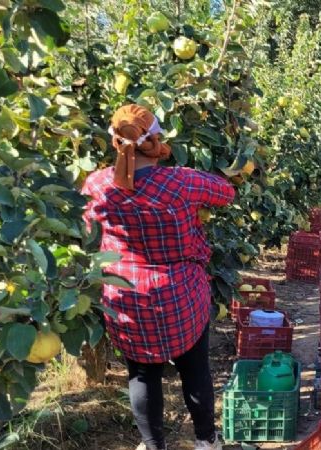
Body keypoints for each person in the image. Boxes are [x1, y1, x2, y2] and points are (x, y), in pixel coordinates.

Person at [81, 104, 234, 450]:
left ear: (115, 141)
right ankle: (206, 441)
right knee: (195, 369)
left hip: (126, 297)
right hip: (180, 293)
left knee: (141, 374)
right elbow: (226, 192)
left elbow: (87, 232)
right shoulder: (180, 182)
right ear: (157, 139)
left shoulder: (97, 185)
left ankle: (154, 446)